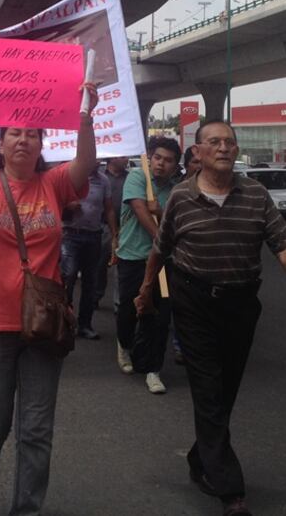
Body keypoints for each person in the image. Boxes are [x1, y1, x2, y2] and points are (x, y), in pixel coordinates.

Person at [136, 119, 286, 516]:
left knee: (225, 389)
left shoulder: (255, 194)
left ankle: (202, 458)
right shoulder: (181, 198)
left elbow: (281, 241)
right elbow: (159, 249)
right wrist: (147, 289)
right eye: (213, 142)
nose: (223, 148)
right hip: (194, 301)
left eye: (229, 142)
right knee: (207, 387)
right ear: (197, 153)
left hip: (240, 303)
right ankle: (231, 490)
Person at [0, 71, 98, 516]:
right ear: (2, 142)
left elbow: (85, 164)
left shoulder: (55, 184)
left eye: (32, 134)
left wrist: (85, 116)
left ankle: (25, 510)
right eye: (15, 134)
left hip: (43, 327)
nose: (24, 141)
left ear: (42, 144)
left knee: (36, 430)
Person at [115, 136, 180, 394]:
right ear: (150, 158)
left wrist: (162, 213)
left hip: (163, 265)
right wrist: (161, 240)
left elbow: (177, 222)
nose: (161, 164)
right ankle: (124, 343)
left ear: (175, 166)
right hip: (133, 257)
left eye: (168, 161)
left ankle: (153, 369)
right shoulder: (137, 178)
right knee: (131, 310)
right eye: (157, 158)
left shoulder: (176, 190)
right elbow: (141, 211)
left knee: (161, 315)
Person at [60, 165, 114, 340]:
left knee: (90, 281)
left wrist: (115, 234)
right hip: (70, 235)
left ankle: (85, 324)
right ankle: (64, 323)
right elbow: (53, 201)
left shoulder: (103, 180)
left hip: (94, 236)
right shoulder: (69, 176)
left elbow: (109, 208)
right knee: (68, 277)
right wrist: (67, 207)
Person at [98, 156, 129, 311]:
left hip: (125, 228)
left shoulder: (131, 178)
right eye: (123, 156)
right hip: (103, 227)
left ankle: (119, 303)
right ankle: (95, 296)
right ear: (112, 158)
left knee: (121, 266)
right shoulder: (100, 176)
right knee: (99, 265)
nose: (127, 159)